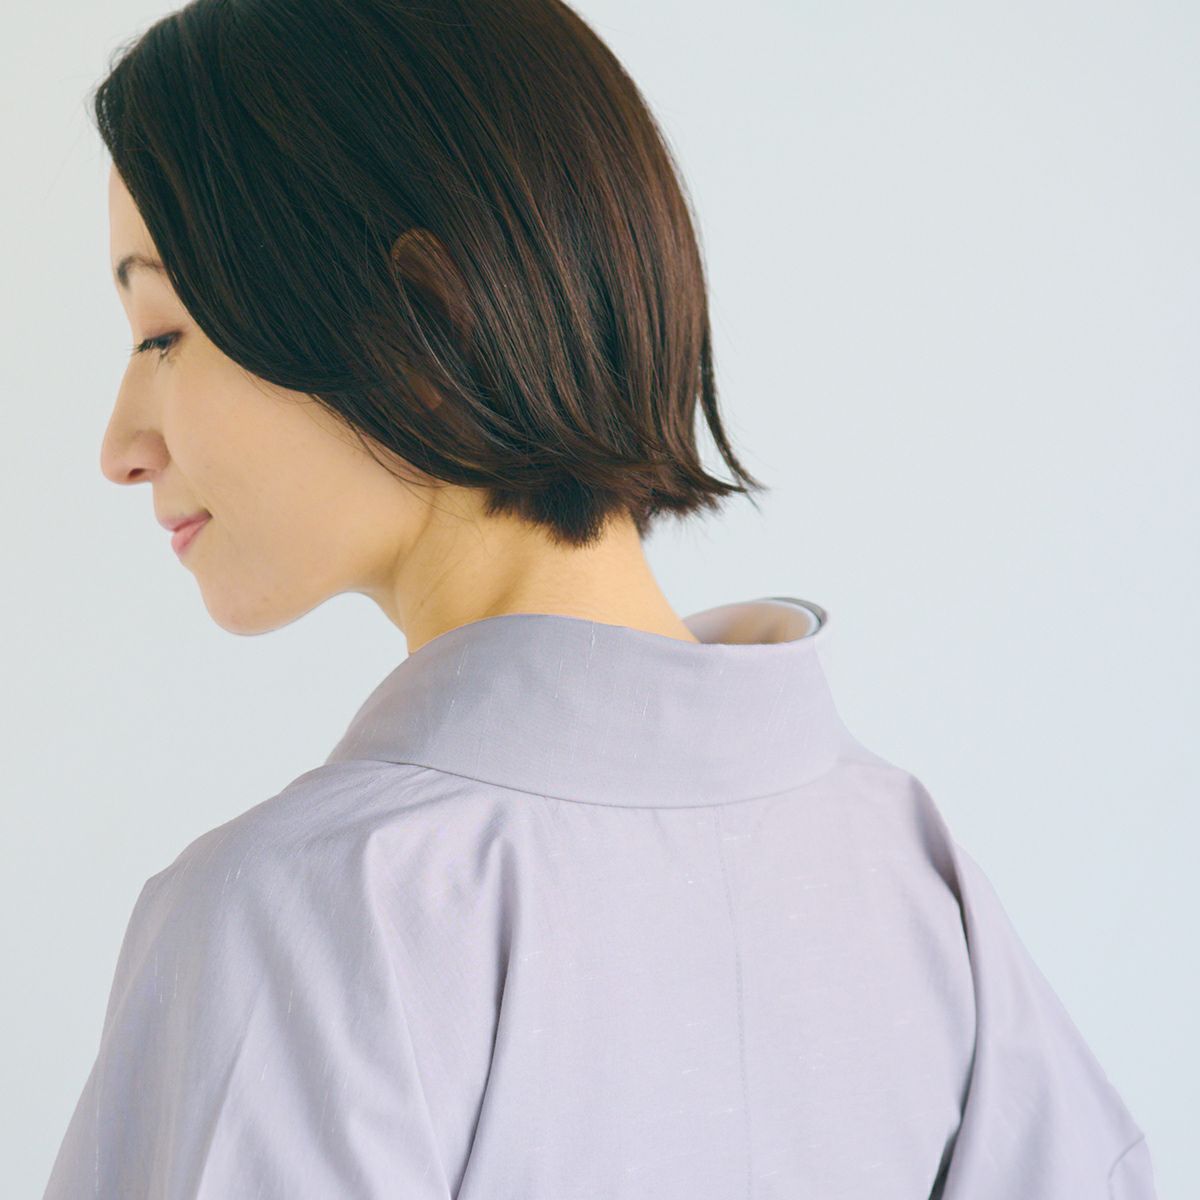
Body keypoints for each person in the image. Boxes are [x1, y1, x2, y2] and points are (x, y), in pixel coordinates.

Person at [45, 1, 1156, 1196]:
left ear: (418, 322)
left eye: (161, 332)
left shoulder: (311, 910)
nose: (119, 447)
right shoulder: (908, 872)